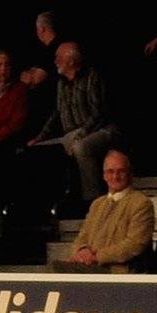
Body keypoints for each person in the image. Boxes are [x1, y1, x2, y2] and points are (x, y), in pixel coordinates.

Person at [27, 41, 117, 200]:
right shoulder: (61, 83)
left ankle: (92, 200)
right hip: (72, 134)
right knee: (38, 149)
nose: (55, 61)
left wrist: (79, 136)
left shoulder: (91, 76)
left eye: (58, 57)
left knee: (81, 147)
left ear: (70, 61)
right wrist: (39, 138)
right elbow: (56, 113)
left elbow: (98, 114)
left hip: (100, 130)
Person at [51, 151, 154, 273]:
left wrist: (97, 257)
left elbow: (135, 244)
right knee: (55, 270)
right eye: (110, 171)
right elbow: (82, 237)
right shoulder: (97, 204)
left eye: (121, 171)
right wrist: (81, 251)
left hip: (118, 271)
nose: (115, 176)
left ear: (130, 174)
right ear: (104, 176)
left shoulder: (141, 203)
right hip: (90, 266)